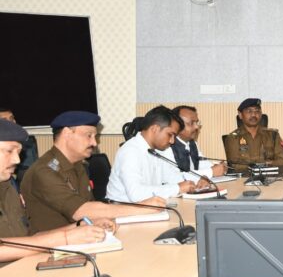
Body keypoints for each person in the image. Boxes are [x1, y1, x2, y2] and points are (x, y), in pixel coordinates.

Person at [21, 111, 164, 233]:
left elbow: (90, 208)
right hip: (52, 248)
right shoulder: (44, 171)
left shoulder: (79, 165)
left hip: (80, 237)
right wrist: (143, 208)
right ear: (67, 133)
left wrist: (99, 221)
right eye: (89, 135)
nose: (94, 143)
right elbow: (81, 211)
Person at [0, 119, 112, 266]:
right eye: (9, 151)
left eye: (19, 152)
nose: (17, 160)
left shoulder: (7, 187)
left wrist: (81, 227)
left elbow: (30, 237)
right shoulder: (42, 171)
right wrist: (65, 239)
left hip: (24, 266)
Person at [106, 106, 206, 202]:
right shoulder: (130, 151)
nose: (172, 141)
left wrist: (197, 181)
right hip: (122, 209)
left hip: (146, 207)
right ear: (154, 129)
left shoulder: (156, 150)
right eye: (170, 135)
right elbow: (136, 194)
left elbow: (171, 176)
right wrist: (177, 188)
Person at [223, 98, 283, 174]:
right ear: (240, 115)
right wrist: (266, 163)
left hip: (270, 177)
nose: (253, 115)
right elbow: (235, 165)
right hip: (244, 179)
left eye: (257, 111)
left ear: (261, 114)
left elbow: (282, 162)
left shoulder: (273, 135)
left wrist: (255, 164)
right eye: (249, 111)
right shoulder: (233, 138)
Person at [166, 105, 227, 180]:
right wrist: (211, 172)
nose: (196, 127)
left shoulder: (192, 143)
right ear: (176, 125)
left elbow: (203, 164)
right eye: (191, 123)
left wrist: (218, 167)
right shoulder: (167, 146)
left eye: (197, 122)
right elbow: (175, 178)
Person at [0, 107, 38, 181]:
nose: (10, 122)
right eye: (4, 120)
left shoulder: (26, 141)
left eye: (11, 118)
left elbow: (31, 169)